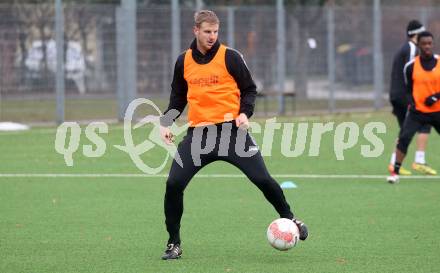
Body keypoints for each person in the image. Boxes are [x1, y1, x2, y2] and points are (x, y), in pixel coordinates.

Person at [158, 10, 308, 260]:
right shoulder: (183, 61)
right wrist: (165, 122)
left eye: (215, 32)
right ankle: (174, 242)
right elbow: (178, 97)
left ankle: (290, 217)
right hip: (199, 137)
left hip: (232, 134)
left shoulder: (231, 57)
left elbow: (250, 89)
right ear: (196, 30)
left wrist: (244, 113)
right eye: (207, 32)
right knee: (174, 184)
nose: (211, 37)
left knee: (262, 179)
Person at [387, 31, 440, 184]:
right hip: (417, 112)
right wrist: (412, 103)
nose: (427, 46)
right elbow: (408, 88)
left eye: (430, 43)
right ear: (419, 45)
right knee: (403, 138)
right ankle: (395, 172)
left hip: (437, 111)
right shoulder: (410, 67)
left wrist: (436, 96)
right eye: (424, 44)